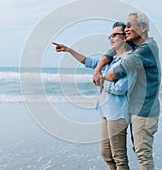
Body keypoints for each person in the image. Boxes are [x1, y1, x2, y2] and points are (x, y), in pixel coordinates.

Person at [52, 22, 133, 170]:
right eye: (110, 35)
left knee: (119, 158)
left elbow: (121, 88)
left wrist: (101, 80)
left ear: (126, 37)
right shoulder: (110, 60)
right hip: (105, 112)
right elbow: (89, 62)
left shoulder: (129, 60)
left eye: (116, 35)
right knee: (107, 155)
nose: (111, 38)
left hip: (118, 114)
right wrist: (69, 50)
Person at [93, 12, 161, 170]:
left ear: (143, 27)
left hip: (145, 110)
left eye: (129, 26)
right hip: (134, 108)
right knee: (134, 152)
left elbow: (122, 67)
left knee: (143, 154)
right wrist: (99, 67)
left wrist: (105, 77)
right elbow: (112, 52)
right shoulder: (137, 46)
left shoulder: (147, 47)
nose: (126, 30)